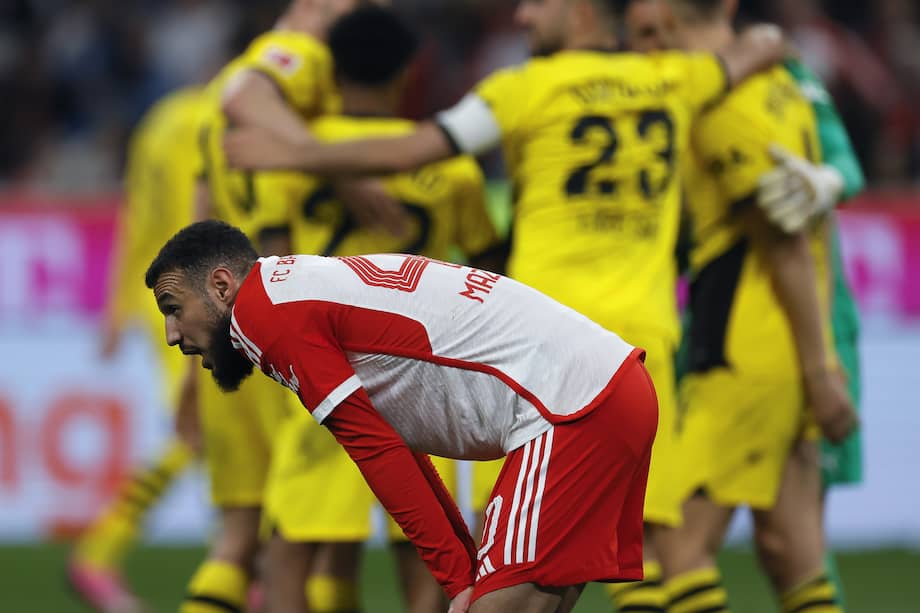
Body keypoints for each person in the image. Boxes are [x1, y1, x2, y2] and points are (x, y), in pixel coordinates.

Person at [222, 0, 787, 608]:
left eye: (538, 4)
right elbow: (761, 47)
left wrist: (303, 158)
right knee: (636, 555)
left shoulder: (523, 89)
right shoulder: (672, 79)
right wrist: (765, 37)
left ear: (582, 13)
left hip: (525, 351)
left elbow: (416, 149)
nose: (521, 16)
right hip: (631, 345)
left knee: (486, 564)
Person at [146, 219, 659, 613]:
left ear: (220, 285)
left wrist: (461, 583)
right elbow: (396, 444)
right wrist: (463, 573)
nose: (173, 334)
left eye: (174, 307)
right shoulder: (290, 289)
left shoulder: (264, 315)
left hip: (569, 406)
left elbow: (377, 451)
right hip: (607, 389)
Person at [250, 6, 502, 613]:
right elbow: (489, 269)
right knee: (425, 550)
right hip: (418, 375)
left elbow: (272, 264)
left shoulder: (290, 160)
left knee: (290, 551)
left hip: (325, 370)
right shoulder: (452, 167)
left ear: (332, 71)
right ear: (406, 73)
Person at [621, 1, 866, 608]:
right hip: (781, 341)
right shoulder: (786, 82)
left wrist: (820, 370)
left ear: (675, 24)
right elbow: (818, 226)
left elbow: (779, 239)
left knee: (671, 551)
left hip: (744, 348)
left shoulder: (719, 102)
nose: (642, 53)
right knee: (793, 551)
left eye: (649, 35)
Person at [187, 3, 390, 612]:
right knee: (318, 534)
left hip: (223, 315)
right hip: (274, 311)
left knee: (244, 535)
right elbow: (247, 97)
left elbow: (200, 208)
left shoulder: (216, 87)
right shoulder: (296, 60)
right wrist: (342, 169)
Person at [68, 87, 207, 613]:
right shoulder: (228, 116)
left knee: (208, 435)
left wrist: (115, 305)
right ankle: (98, 552)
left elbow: (137, 216)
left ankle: (248, 567)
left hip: (160, 293)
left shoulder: (161, 118)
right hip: (202, 296)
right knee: (199, 432)